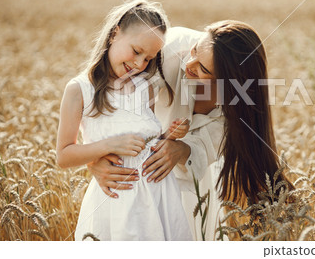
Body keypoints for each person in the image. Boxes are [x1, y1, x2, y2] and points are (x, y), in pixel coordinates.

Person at [88, 20, 295, 240]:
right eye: (195, 50)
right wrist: (94, 159)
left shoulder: (240, 99)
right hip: (131, 176)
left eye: (203, 69)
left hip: (196, 186)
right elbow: (105, 94)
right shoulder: (167, 49)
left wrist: (182, 150)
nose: (189, 63)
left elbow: (214, 142)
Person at [56, 0, 193, 240]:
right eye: (136, 51)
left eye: (149, 59)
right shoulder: (79, 90)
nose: (140, 64)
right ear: (114, 34)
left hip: (160, 197)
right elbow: (64, 155)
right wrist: (108, 146)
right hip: (116, 201)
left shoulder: (146, 88)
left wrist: (168, 136)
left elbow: (146, 140)